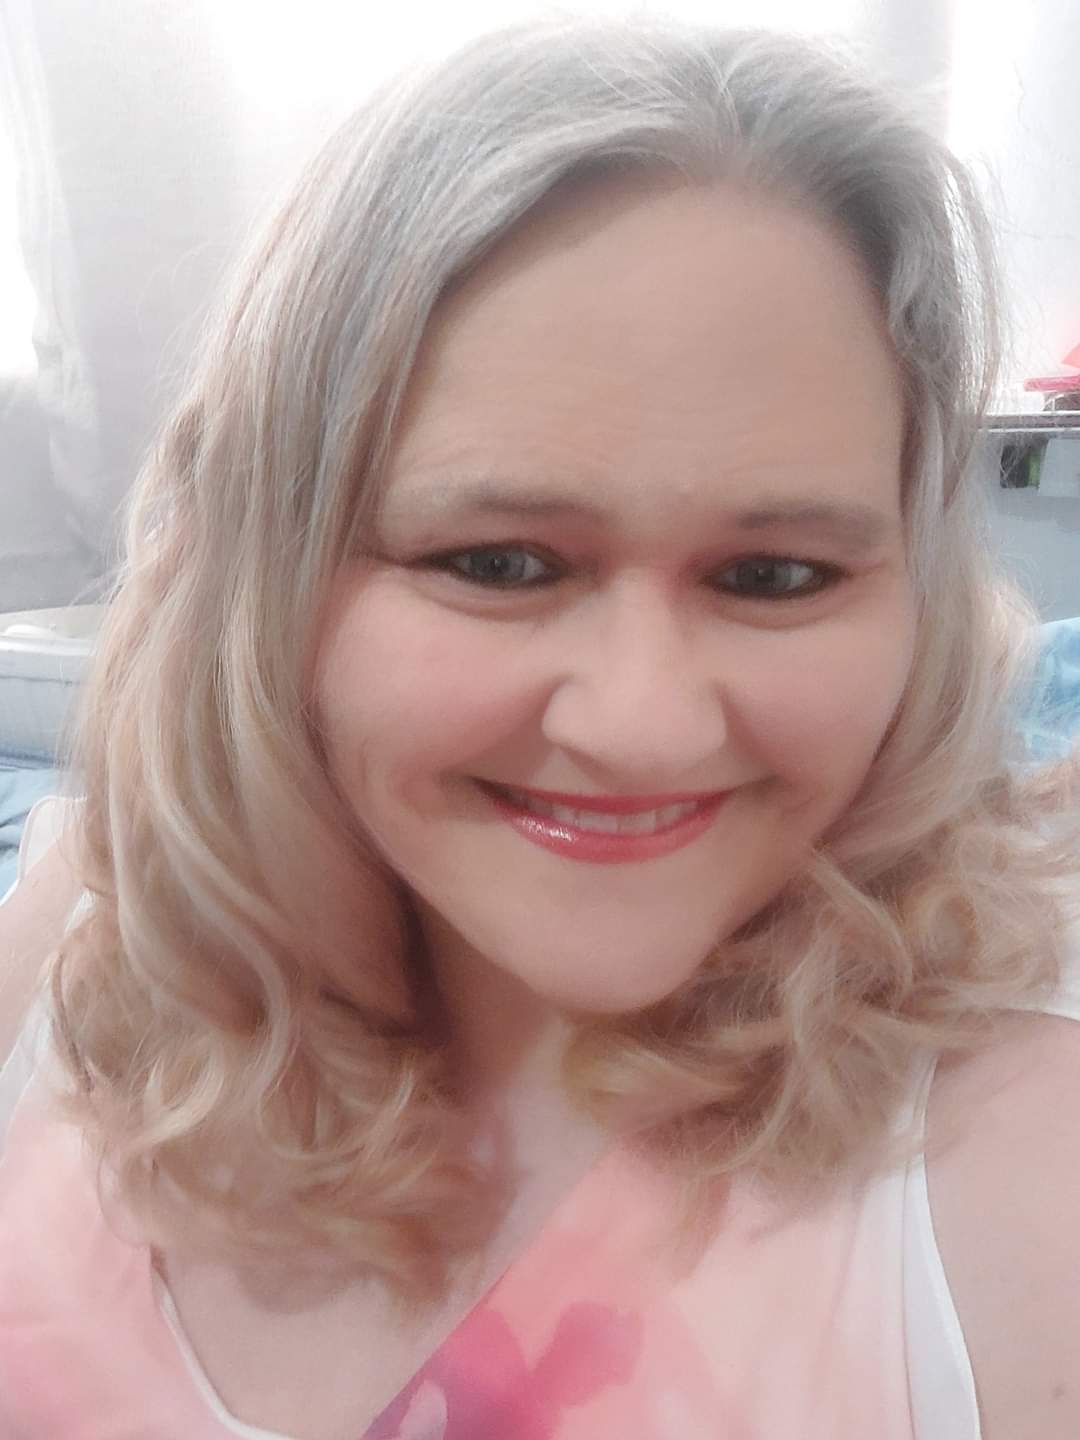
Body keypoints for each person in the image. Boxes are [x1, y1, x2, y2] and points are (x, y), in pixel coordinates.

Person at [1, 14, 1078, 1439]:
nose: (644, 727)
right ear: (267, 573)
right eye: (499, 564)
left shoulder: (1013, 1166)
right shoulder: (89, 941)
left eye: (775, 577)